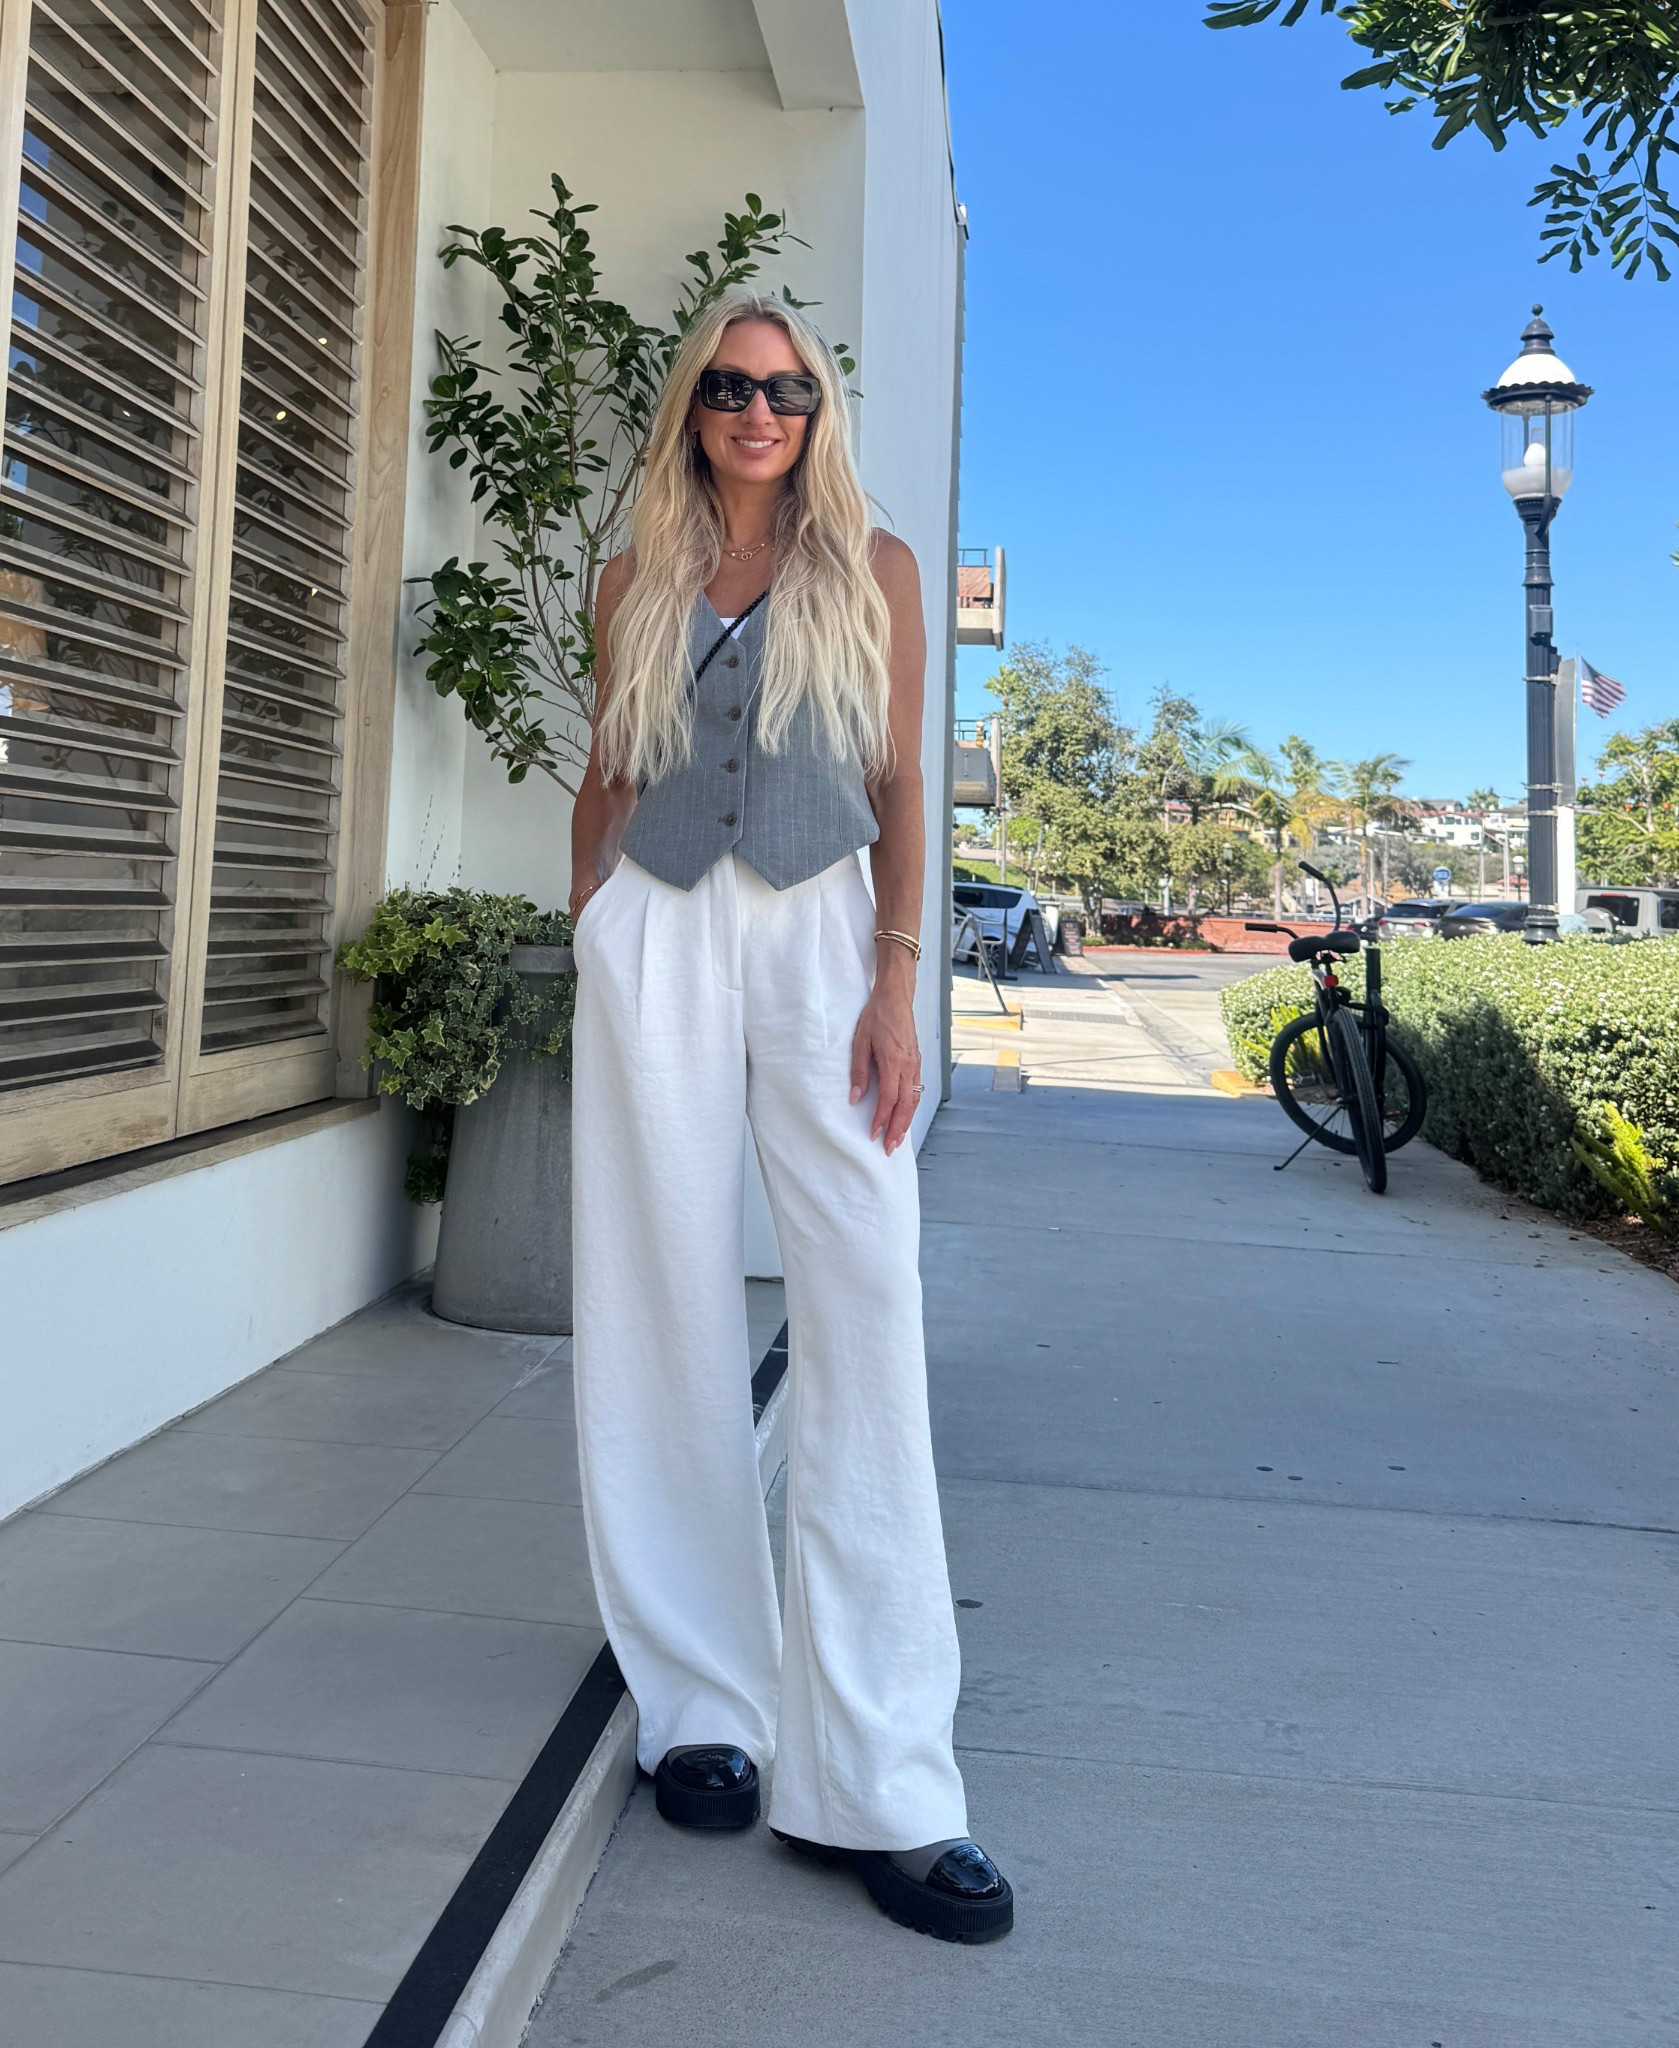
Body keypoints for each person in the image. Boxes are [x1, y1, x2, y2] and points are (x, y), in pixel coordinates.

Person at [566, 287, 1012, 1944]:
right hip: (659, 928)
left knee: (865, 1304)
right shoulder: (633, 575)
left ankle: (885, 1777)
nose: (762, 412)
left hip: (827, 936)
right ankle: (703, 1701)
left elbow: (900, 785)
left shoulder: (873, 567)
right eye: (733, 386)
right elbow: (610, 769)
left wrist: (898, 979)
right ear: (693, 407)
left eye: (791, 391)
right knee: (656, 1297)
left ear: (819, 415)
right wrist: (591, 919)